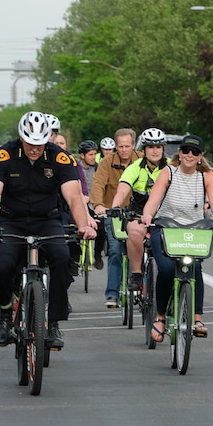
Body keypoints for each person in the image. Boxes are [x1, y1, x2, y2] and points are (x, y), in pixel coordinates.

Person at [0, 111, 96, 348]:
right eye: (30, 143)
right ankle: (5, 314)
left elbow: (73, 197)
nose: (34, 149)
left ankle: (53, 324)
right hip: (11, 220)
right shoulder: (5, 154)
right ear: (21, 138)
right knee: (3, 265)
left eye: (40, 144)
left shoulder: (59, 157)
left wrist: (84, 226)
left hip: (47, 220)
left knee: (62, 260)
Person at [141, 135, 213, 340]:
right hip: (165, 227)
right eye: (186, 151)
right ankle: (160, 317)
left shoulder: (206, 175)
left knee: (195, 268)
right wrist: (148, 214)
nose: (190, 155)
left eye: (195, 152)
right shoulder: (168, 172)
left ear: (201, 156)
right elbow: (154, 200)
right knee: (165, 268)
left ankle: (197, 318)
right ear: (179, 153)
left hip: (194, 230)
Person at [110, 128, 169, 291]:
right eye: (150, 147)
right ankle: (136, 273)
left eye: (158, 147)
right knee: (135, 233)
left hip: (166, 215)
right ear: (143, 149)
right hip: (139, 213)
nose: (155, 150)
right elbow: (122, 189)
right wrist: (115, 205)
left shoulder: (171, 167)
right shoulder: (135, 167)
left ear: (163, 148)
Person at [90, 128, 142, 308]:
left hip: (138, 215)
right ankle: (112, 294)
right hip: (115, 215)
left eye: (128, 146)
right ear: (115, 146)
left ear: (134, 145)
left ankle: (146, 289)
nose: (124, 150)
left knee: (146, 252)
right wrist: (98, 204)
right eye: (120, 146)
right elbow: (97, 184)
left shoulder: (143, 160)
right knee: (115, 251)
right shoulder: (106, 162)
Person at [78, 140, 104, 270]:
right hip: (80, 203)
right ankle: (75, 257)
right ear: (82, 156)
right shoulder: (76, 167)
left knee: (102, 226)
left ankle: (98, 254)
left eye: (95, 154)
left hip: (94, 203)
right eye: (90, 154)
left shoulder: (98, 168)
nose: (94, 157)